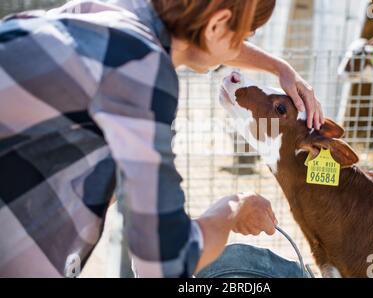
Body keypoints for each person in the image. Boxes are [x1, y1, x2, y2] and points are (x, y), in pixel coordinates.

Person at [0, 0, 324, 277]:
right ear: (219, 23)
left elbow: (201, 38)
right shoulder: (142, 70)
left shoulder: (111, 14)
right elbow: (163, 265)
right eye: (244, 37)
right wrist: (233, 210)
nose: (238, 51)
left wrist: (280, 68)